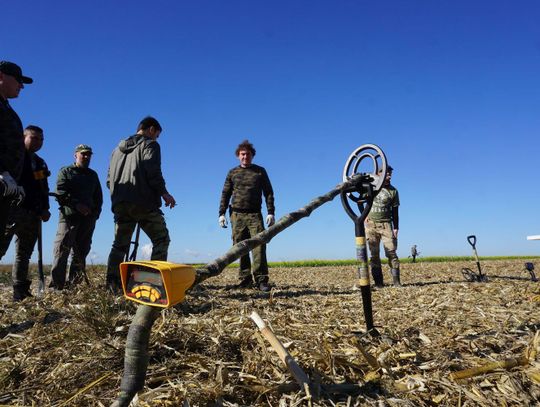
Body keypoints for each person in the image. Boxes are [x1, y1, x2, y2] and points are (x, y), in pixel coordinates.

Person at [105, 116, 176, 292]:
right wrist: (164, 193)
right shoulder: (150, 144)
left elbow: (108, 180)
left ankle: (112, 285)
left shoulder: (116, 150)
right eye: (157, 135)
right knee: (161, 239)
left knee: (120, 244)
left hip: (120, 203)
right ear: (151, 129)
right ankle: (153, 285)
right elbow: (153, 171)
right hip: (143, 202)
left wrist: (121, 196)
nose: (156, 139)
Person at [0, 126, 50, 301]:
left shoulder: (40, 162)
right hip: (12, 209)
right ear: (23, 137)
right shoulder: (13, 157)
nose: (38, 142)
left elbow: (44, 188)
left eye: (41, 139)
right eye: (34, 138)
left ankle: (19, 290)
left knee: (24, 253)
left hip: (32, 213)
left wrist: (45, 208)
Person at [218, 140, 275, 292]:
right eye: (242, 154)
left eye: (248, 154)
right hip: (236, 215)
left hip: (255, 214)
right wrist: (221, 214)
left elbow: (268, 192)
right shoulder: (232, 172)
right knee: (240, 248)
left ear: (252, 156)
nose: (245, 157)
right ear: (238, 156)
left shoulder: (260, 171)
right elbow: (225, 193)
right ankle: (245, 280)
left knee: (259, 246)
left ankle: (261, 280)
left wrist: (271, 212)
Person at [49, 144, 103, 290]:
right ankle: (57, 286)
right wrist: (76, 205)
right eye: (83, 154)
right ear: (76, 155)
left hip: (88, 219)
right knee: (62, 250)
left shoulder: (93, 175)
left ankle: (75, 285)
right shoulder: (66, 171)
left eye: (89, 155)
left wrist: (95, 214)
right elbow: (60, 192)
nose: (86, 157)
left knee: (82, 251)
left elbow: (98, 197)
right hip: (68, 217)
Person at [0, 61, 33, 234]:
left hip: (6, 190)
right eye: (18, 80)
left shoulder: (7, 109)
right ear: (1, 76)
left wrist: (13, 180)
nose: (21, 85)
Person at [365, 166, 401, 287]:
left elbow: (395, 211)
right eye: (386, 173)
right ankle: (379, 283)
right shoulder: (371, 187)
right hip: (371, 225)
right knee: (374, 255)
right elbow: (361, 201)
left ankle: (396, 282)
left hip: (386, 225)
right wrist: (363, 215)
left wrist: (396, 228)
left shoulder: (393, 191)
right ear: (378, 174)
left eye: (390, 173)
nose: (389, 175)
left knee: (392, 253)